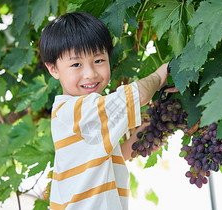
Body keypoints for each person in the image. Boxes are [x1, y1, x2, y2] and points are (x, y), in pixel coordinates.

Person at [39, 11, 178, 210]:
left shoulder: (79, 112)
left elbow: (98, 161)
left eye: (98, 61)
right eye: (76, 64)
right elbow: (132, 97)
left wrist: (132, 144)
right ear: (53, 69)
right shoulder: (75, 111)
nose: (90, 74)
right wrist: (160, 74)